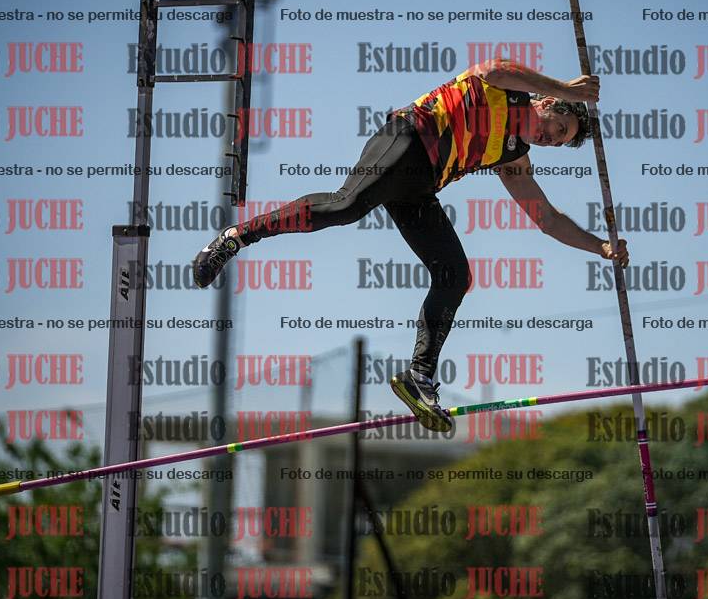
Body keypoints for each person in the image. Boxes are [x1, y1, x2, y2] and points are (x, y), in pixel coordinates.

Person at [192, 58, 628, 433]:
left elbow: (546, 218)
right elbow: (494, 67)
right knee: (346, 207)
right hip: (407, 138)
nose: (551, 139)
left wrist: (601, 248)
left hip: (420, 186)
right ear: (548, 103)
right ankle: (236, 237)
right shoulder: (506, 88)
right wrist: (568, 87)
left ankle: (420, 376)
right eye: (558, 128)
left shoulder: (512, 155)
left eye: (559, 142)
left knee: (455, 275)